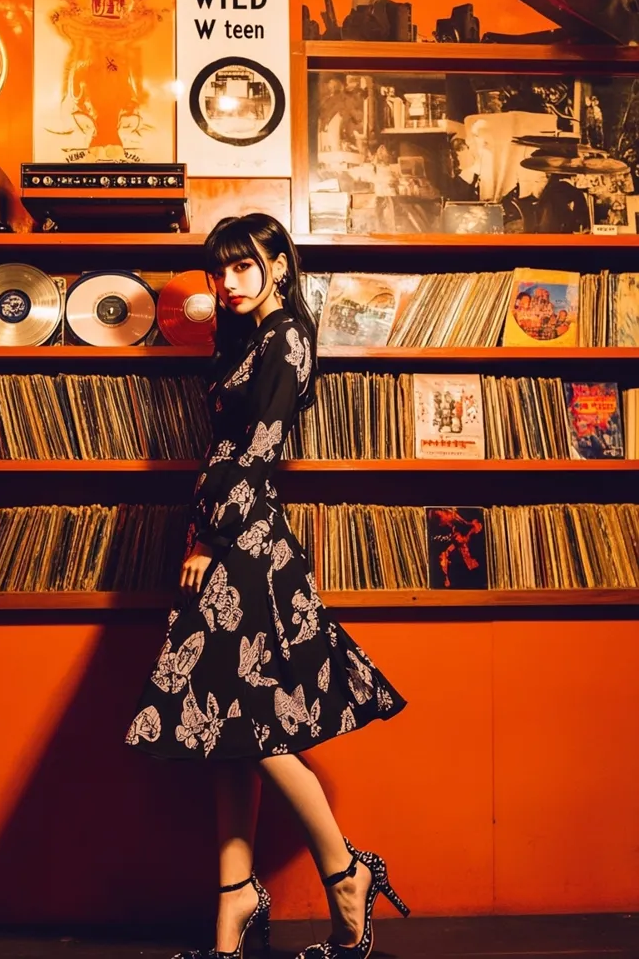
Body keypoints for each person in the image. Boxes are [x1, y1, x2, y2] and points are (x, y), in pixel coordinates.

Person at [125, 213, 410, 959]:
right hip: (225, 538)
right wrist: (200, 534)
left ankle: (346, 870)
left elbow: (255, 451)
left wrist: (214, 540)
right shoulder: (246, 338)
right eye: (219, 271)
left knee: (260, 728)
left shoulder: (285, 338)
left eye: (243, 267)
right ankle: (232, 912)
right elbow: (221, 451)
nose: (228, 283)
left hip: (245, 546)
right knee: (226, 728)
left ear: (279, 264)